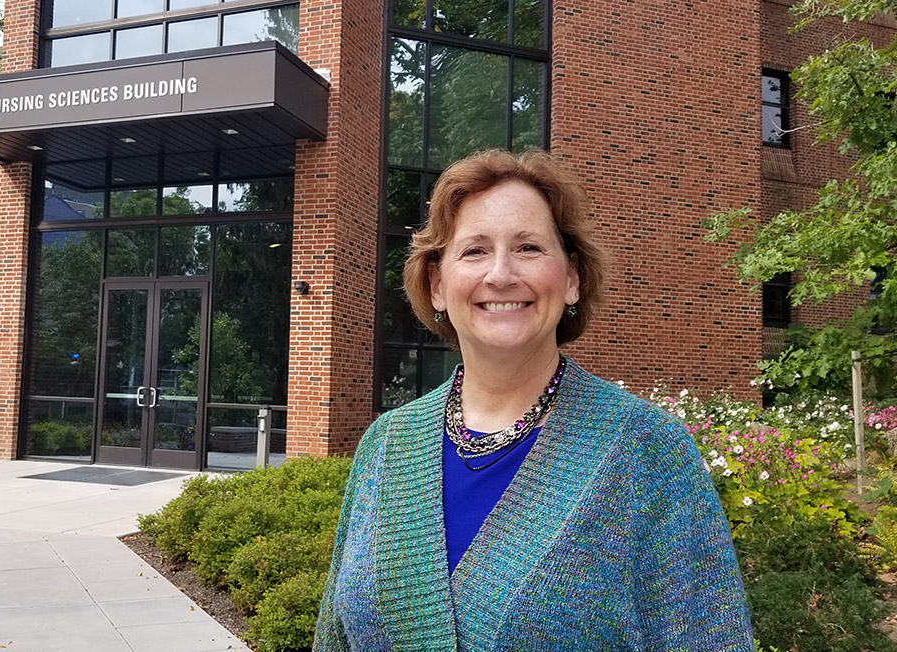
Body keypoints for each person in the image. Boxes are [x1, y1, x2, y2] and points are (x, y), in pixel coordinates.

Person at [313, 149, 753, 651]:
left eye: (528, 248)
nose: (500, 274)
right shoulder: (387, 444)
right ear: (437, 285)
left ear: (571, 279)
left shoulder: (647, 452)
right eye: (474, 251)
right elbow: (335, 638)